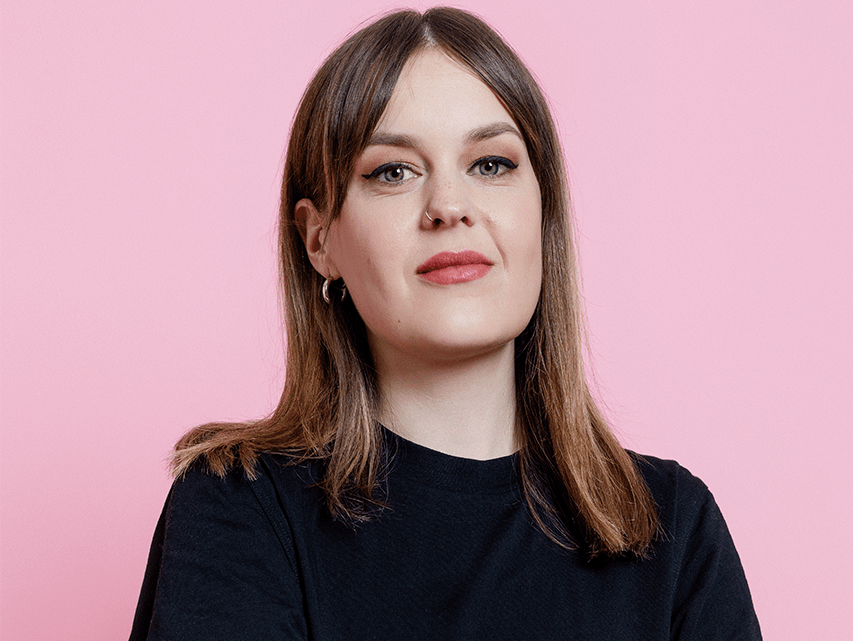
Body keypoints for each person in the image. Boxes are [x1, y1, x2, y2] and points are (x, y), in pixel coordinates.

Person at [129, 7, 762, 640]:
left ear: (543, 211)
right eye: (393, 172)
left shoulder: (674, 525)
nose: (450, 207)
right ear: (319, 239)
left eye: (491, 164)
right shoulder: (239, 503)